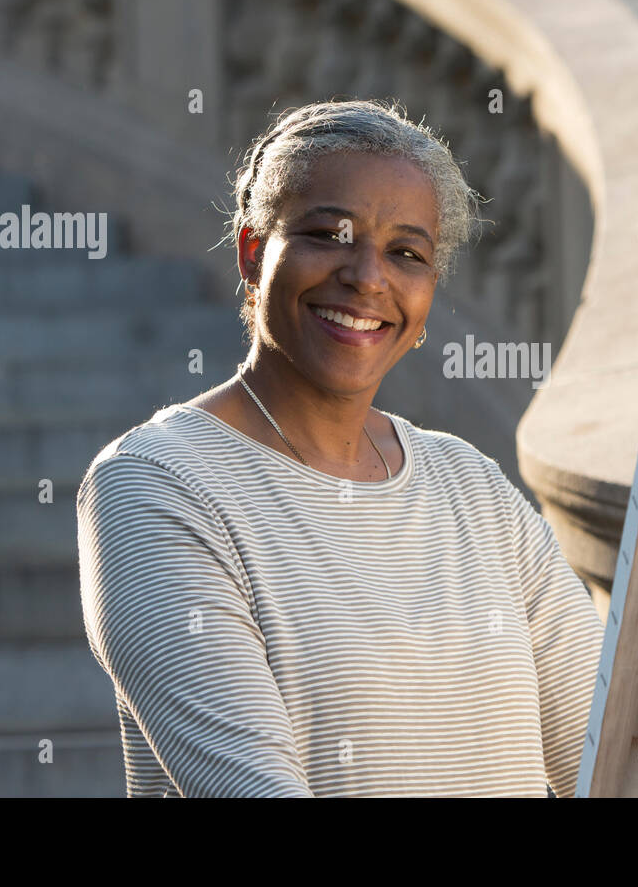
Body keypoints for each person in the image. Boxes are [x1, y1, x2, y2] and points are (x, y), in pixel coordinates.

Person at [76, 99, 605, 797]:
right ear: (253, 252)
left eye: (406, 254)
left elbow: (612, 757)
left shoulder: (472, 485)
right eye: (329, 235)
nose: (367, 277)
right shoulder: (157, 485)